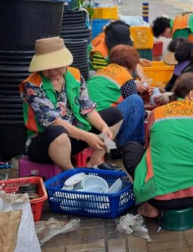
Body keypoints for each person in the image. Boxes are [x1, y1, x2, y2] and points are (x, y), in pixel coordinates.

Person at [122, 73, 193, 218]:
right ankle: (188, 203)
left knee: (132, 148)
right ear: (191, 94)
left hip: (160, 198)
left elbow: (149, 148)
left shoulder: (157, 113)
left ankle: (150, 207)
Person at [20, 37, 122, 171]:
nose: (52, 71)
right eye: (47, 67)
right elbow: (54, 122)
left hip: (73, 137)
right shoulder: (33, 85)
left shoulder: (75, 75)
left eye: (57, 66)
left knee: (115, 114)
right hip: (44, 144)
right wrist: (87, 137)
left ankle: (95, 161)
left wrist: (104, 127)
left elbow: (87, 109)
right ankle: (70, 174)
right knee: (57, 131)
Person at [87, 45, 147, 148]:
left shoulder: (101, 72)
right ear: (133, 65)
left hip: (90, 119)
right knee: (136, 101)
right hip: (106, 121)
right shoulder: (126, 78)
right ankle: (130, 146)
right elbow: (133, 109)